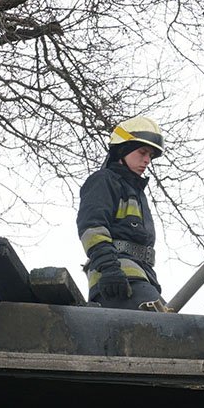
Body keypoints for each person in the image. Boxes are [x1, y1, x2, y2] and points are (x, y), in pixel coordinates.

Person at [77, 117, 165, 309]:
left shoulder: (136, 192)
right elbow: (92, 228)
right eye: (142, 152)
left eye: (150, 155)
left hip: (142, 278)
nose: (147, 160)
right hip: (118, 279)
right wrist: (109, 269)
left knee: (172, 325)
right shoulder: (104, 181)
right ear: (123, 150)